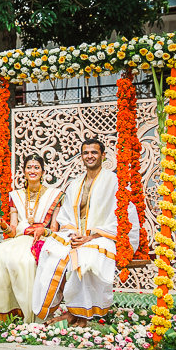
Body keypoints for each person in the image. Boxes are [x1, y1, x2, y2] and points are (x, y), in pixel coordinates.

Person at [29, 138, 139, 326]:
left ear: (103, 156)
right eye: (86, 153)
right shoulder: (75, 184)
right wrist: (74, 235)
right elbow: (65, 217)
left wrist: (92, 236)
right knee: (52, 251)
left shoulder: (115, 182)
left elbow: (125, 217)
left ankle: (81, 313)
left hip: (103, 237)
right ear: (81, 157)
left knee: (86, 258)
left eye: (94, 152)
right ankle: (65, 309)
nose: (90, 156)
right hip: (76, 236)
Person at [0, 153, 64, 323]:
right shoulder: (16, 195)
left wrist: (43, 231)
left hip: (42, 239)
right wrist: (4, 225)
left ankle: (32, 311)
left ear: (43, 171)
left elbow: (54, 229)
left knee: (26, 262)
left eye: (36, 167)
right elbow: (13, 231)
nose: (33, 170)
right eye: (29, 167)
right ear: (24, 171)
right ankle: (9, 310)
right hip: (20, 238)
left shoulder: (55, 195)